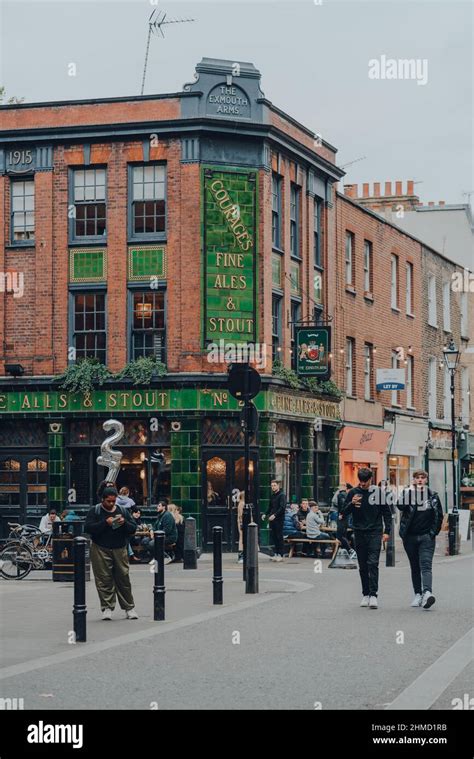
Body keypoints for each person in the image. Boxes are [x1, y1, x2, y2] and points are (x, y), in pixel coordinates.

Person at [84, 486, 138, 620]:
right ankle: (107, 607)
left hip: (120, 548)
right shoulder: (95, 511)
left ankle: (129, 608)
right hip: (100, 548)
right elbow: (88, 528)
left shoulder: (123, 511)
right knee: (103, 579)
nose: (112, 504)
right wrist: (105, 523)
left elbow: (132, 529)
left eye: (114, 501)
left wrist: (124, 523)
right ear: (102, 500)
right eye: (109, 501)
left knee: (123, 578)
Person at [342, 468, 391, 609]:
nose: (362, 484)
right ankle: (365, 594)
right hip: (359, 532)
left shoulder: (377, 493)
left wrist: (387, 531)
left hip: (375, 531)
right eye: (360, 481)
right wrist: (352, 503)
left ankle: (374, 595)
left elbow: (386, 513)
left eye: (365, 481)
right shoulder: (353, 493)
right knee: (362, 565)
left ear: (371, 479)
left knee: (373, 563)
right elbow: (343, 512)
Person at [397, 470, 444, 610]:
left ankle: (427, 593)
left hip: (426, 537)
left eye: (422, 478)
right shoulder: (408, 494)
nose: (420, 480)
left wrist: (432, 533)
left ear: (426, 480)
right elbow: (400, 506)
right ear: (413, 480)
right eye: (417, 478)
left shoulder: (433, 496)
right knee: (415, 566)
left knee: (426, 565)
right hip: (410, 537)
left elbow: (439, 516)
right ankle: (417, 594)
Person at [144, 500, 177, 565]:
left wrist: (156, 535)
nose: (157, 507)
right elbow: (155, 526)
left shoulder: (167, 516)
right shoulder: (160, 515)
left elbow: (167, 530)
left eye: (159, 506)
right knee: (144, 541)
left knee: (152, 544)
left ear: (164, 507)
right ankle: (156, 557)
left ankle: (166, 557)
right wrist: (151, 531)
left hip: (169, 537)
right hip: (159, 536)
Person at [262, 480, 286, 562]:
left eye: (274, 485)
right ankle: (276, 553)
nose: (273, 487)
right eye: (272, 486)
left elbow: (282, 508)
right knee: (274, 537)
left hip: (279, 519)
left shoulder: (282, 495)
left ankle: (281, 554)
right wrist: (265, 514)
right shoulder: (272, 496)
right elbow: (270, 507)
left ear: (278, 486)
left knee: (279, 536)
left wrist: (274, 515)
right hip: (272, 519)